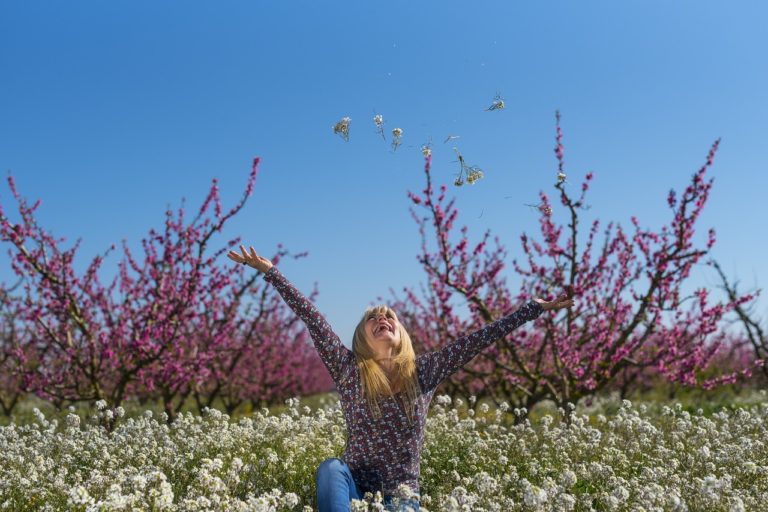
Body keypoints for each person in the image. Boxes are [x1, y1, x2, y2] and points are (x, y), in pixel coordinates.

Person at [227, 245, 574, 512]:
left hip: (402, 495)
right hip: (354, 488)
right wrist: (271, 273)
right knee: (330, 468)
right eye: (373, 318)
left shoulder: (423, 372)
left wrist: (533, 309)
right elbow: (313, 319)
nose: (383, 319)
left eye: (389, 317)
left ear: (400, 331)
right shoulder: (349, 370)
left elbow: (479, 339)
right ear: (361, 336)